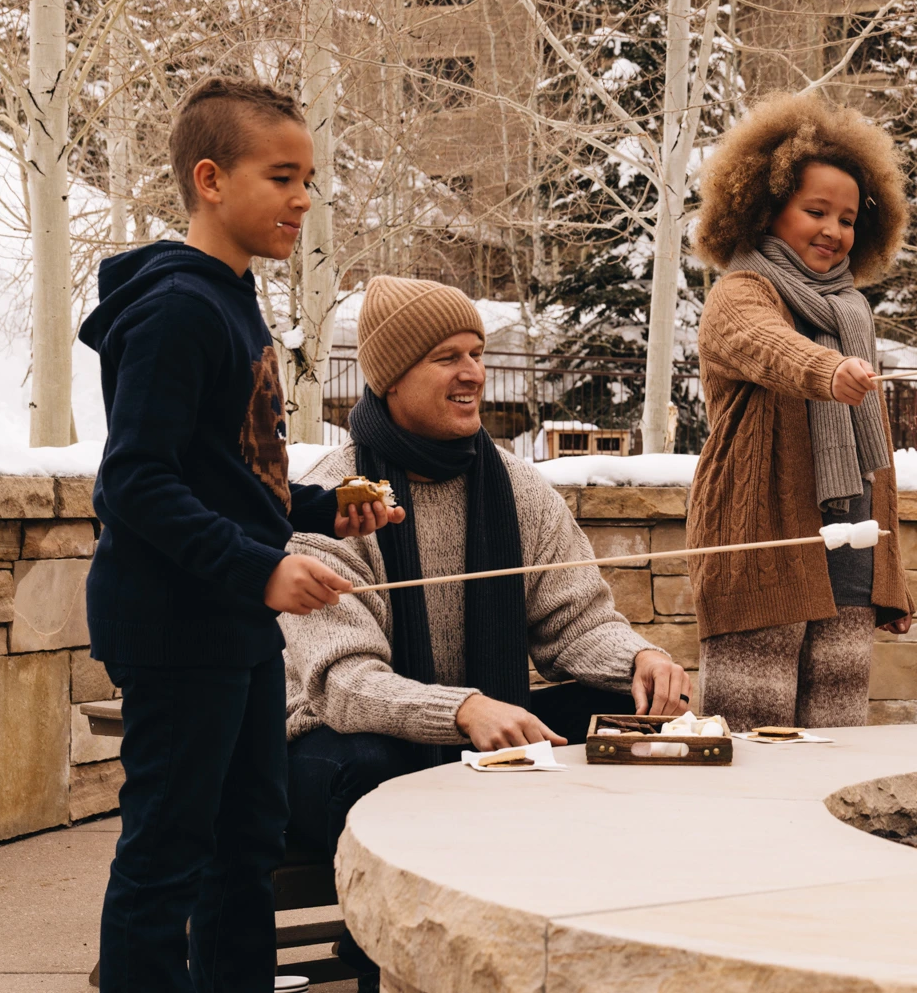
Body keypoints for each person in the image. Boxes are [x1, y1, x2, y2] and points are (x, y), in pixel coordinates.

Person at [81, 76, 398, 993]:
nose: (304, 197)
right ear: (211, 179)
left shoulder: (233, 297)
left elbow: (227, 476)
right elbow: (135, 480)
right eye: (283, 175)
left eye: (310, 178)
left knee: (246, 840)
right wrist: (262, 569)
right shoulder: (180, 309)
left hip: (232, 623)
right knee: (170, 851)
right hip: (181, 627)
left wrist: (319, 512)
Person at [281, 276, 690, 985]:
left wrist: (639, 659)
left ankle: (601, 932)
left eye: (477, 351)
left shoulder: (518, 487)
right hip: (328, 745)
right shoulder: (337, 500)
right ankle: (397, 951)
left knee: (633, 719)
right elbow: (346, 687)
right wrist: (463, 709)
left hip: (476, 712)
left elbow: (578, 621)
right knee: (373, 766)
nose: (473, 372)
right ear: (391, 377)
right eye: (447, 356)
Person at [685, 91, 913, 731]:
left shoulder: (851, 315)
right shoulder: (740, 292)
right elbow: (768, 346)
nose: (834, 231)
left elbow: (878, 471)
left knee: (835, 751)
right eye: (816, 210)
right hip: (760, 557)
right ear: (764, 205)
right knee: (752, 747)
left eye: (847, 219)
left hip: (850, 562)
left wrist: (888, 577)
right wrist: (827, 372)